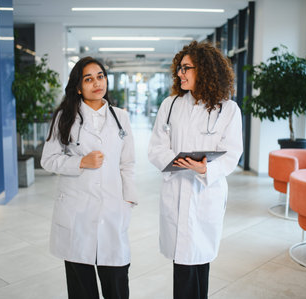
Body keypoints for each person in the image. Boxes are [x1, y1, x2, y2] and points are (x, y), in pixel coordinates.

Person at [148, 41, 243, 299]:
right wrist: (175, 162)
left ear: (205, 70)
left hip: (205, 193)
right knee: (184, 265)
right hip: (176, 189)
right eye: (179, 68)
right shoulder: (170, 105)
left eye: (186, 68)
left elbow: (232, 153)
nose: (180, 74)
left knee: (199, 262)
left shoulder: (228, 109)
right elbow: (156, 147)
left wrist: (204, 169)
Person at [41, 56, 137, 299]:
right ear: (78, 86)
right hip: (77, 212)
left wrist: (128, 202)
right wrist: (80, 162)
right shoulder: (64, 116)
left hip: (113, 210)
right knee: (82, 289)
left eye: (100, 76)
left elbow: (128, 163)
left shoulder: (120, 117)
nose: (97, 83)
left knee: (117, 284)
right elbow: (48, 159)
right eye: (89, 78)